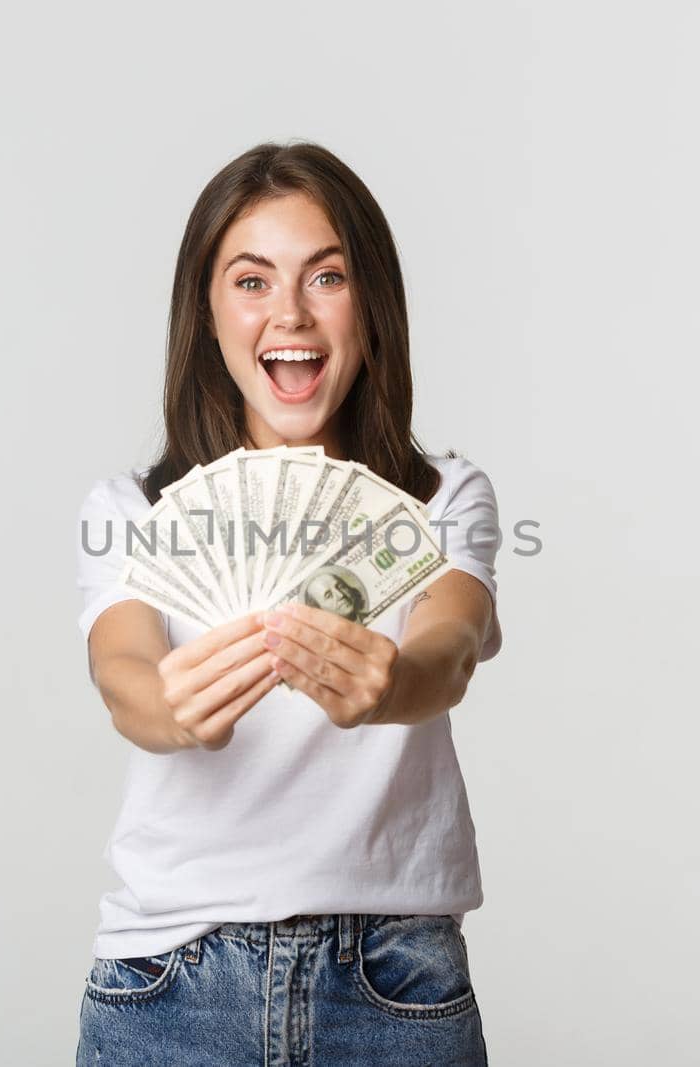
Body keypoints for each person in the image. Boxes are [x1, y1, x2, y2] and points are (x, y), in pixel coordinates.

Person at [73, 141, 504, 1065]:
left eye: (328, 276)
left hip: (397, 982)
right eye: (252, 281)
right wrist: (174, 709)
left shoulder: (444, 499)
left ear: (372, 305)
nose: (292, 313)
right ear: (209, 311)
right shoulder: (129, 511)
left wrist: (392, 687)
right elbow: (121, 669)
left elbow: (453, 640)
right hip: (168, 983)